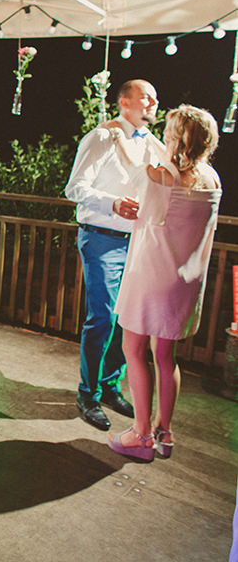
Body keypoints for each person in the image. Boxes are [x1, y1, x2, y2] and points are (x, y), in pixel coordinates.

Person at [108, 104, 222, 461]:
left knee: (133, 351)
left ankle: (140, 435)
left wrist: (118, 135)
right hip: (184, 282)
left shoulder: (160, 176)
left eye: (169, 132)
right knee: (165, 356)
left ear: (176, 138)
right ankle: (164, 431)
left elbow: (131, 170)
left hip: (151, 277)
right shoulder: (212, 180)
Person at [64, 79, 162, 431]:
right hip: (101, 238)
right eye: (146, 97)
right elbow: (74, 187)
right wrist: (113, 202)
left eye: (155, 98)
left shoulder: (154, 145)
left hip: (138, 243)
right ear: (125, 102)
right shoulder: (102, 137)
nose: (152, 103)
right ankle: (87, 394)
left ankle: (110, 385)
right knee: (103, 318)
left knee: (128, 319)